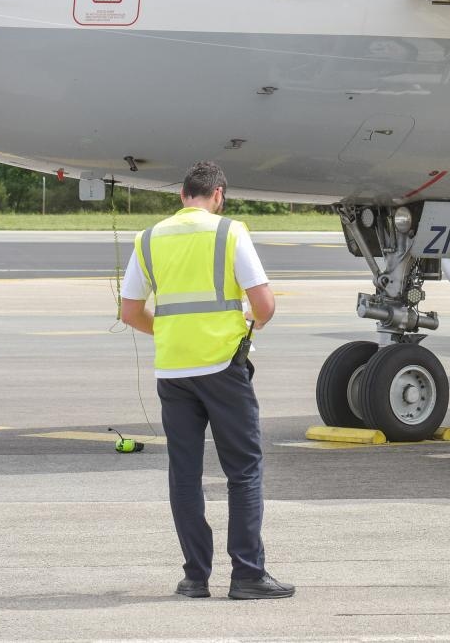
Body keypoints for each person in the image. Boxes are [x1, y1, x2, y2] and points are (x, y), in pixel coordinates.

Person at [118, 161, 291, 601]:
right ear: (218, 195)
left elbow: (130, 312)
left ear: (181, 196)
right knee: (243, 470)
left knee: (185, 474)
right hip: (221, 367)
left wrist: (175, 332)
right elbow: (265, 304)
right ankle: (248, 574)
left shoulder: (148, 238)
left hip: (173, 370)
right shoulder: (229, 232)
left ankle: (195, 576)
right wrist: (250, 323)